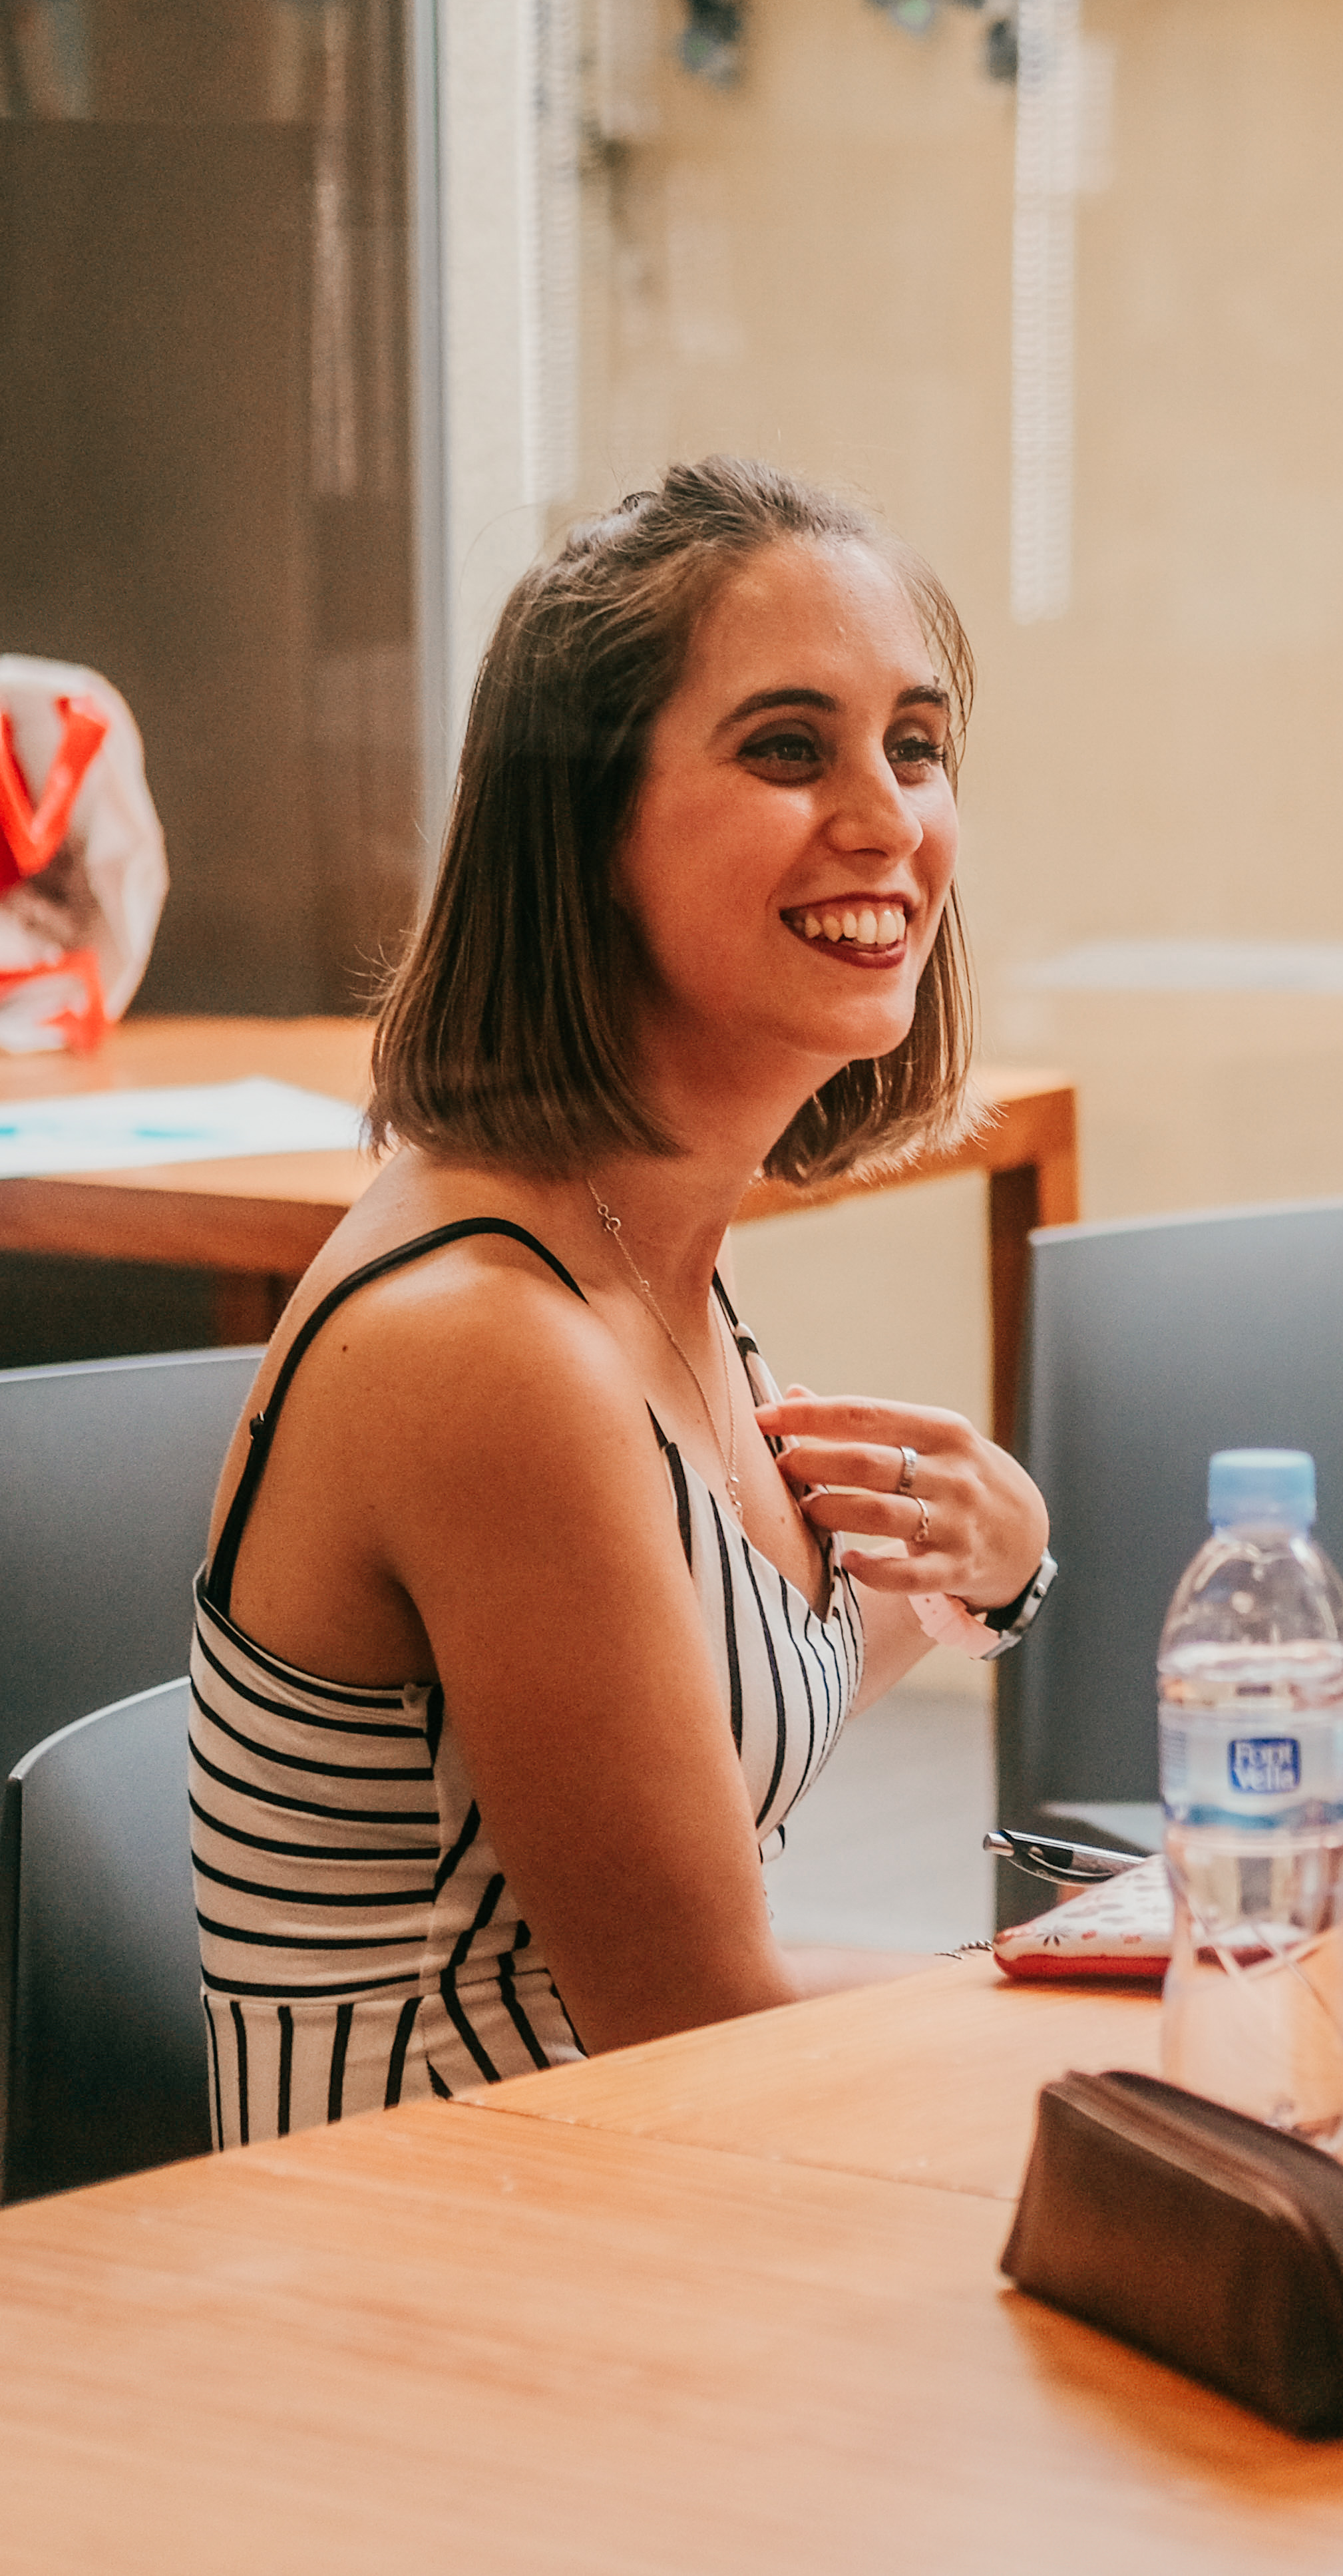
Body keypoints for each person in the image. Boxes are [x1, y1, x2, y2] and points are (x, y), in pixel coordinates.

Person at [190, 458, 1056, 2135]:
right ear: (587, 832)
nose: (886, 817)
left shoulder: (638, 1255)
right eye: (789, 748)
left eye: (916, 744)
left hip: (621, 2184)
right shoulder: (488, 1344)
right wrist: (1132, 1986)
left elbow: (719, 1677)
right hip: (433, 2248)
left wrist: (995, 1573)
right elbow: (702, 2022)